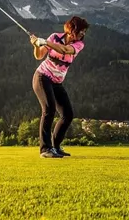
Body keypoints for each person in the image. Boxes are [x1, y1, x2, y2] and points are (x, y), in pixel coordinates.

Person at [30, 16, 89, 158]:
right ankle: (45, 149)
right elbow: (39, 56)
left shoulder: (79, 45)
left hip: (56, 82)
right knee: (49, 109)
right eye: (81, 31)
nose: (83, 34)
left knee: (67, 114)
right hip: (42, 77)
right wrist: (36, 45)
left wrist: (45, 42)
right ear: (72, 30)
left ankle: (55, 147)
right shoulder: (54, 37)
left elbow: (64, 50)